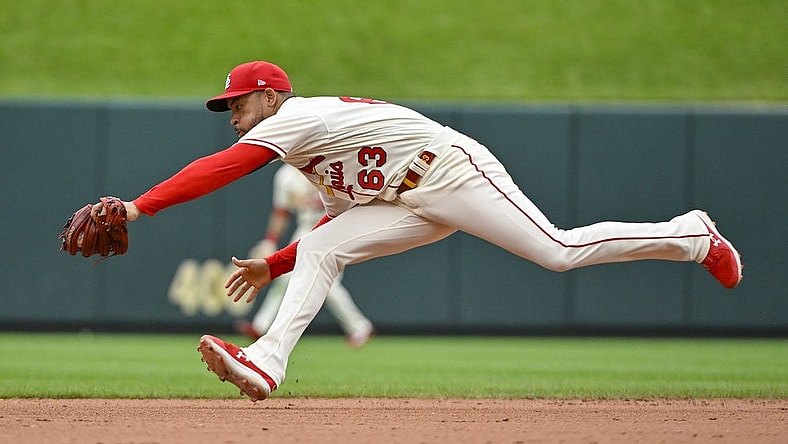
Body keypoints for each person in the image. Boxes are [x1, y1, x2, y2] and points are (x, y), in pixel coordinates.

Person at [92, 61, 742, 402]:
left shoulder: (296, 119)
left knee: (558, 251)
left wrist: (140, 208)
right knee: (320, 245)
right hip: (409, 201)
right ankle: (265, 364)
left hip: (454, 173)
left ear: (269, 98)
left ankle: (690, 235)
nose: (230, 112)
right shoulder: (312, 163)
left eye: (237, 101)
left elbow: (224, 167)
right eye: (227, 105)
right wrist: (277, 263)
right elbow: (337, 226)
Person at [236, 163, 374, 347]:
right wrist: (270, 240)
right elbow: (281, 212)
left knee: (327, 283)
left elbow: (350, 195)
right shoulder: (285, 175)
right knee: (286, 276)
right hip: (306, 227)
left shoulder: (326, 160)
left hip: (335, 224)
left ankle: (359, 326)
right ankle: (260, 326)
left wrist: (315, 201)